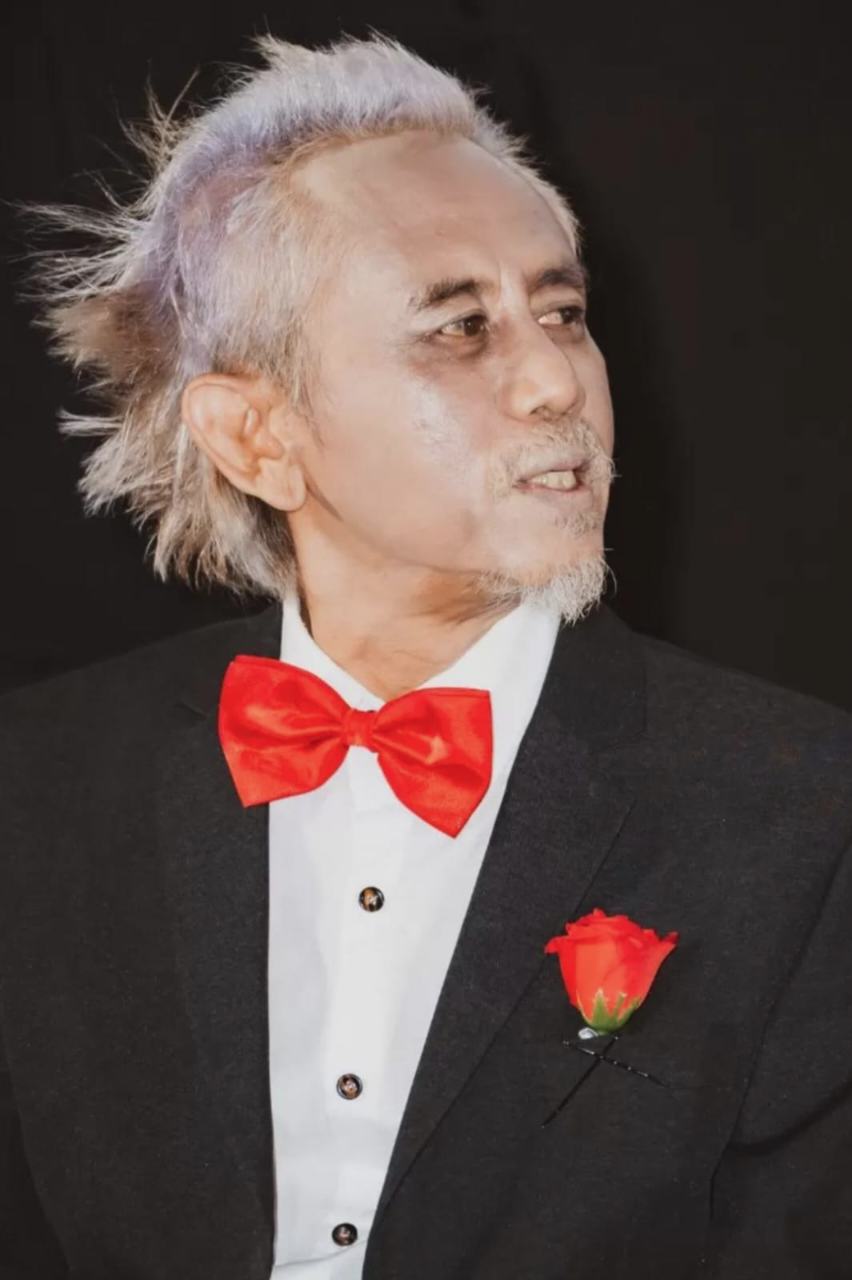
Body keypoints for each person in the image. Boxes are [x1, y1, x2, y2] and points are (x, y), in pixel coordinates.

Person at [1, 31, 850, 1280]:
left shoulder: (805, 809)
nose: (556, 381)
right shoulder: (38, 782)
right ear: (256, 436)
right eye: (459, 328)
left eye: (562, 311)